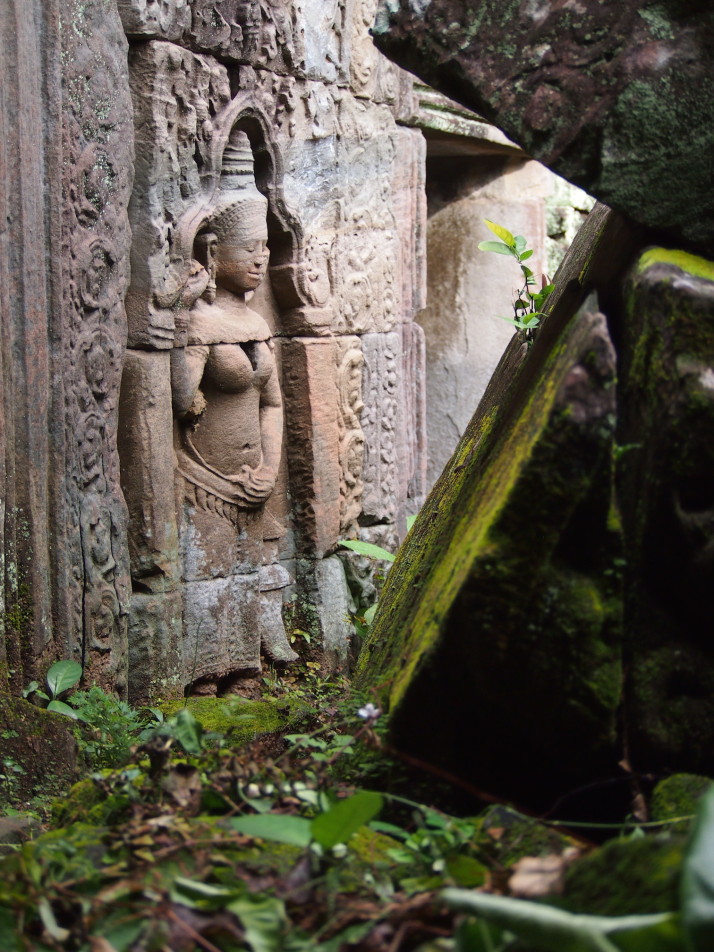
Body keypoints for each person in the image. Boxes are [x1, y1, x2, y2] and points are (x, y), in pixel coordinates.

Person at [171, 131, 296, 693]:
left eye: (267, 251)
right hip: (205, 477)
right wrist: (187, 322)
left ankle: (246, 667)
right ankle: (202, 677)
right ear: (214, 252)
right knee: (209, 570)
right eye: (250, 252)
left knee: (251, 570)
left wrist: (270, 470)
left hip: (254, 479)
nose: (261, 262)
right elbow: (179, 399)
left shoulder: (257, 323)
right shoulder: (201, 323)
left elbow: (272, 402)